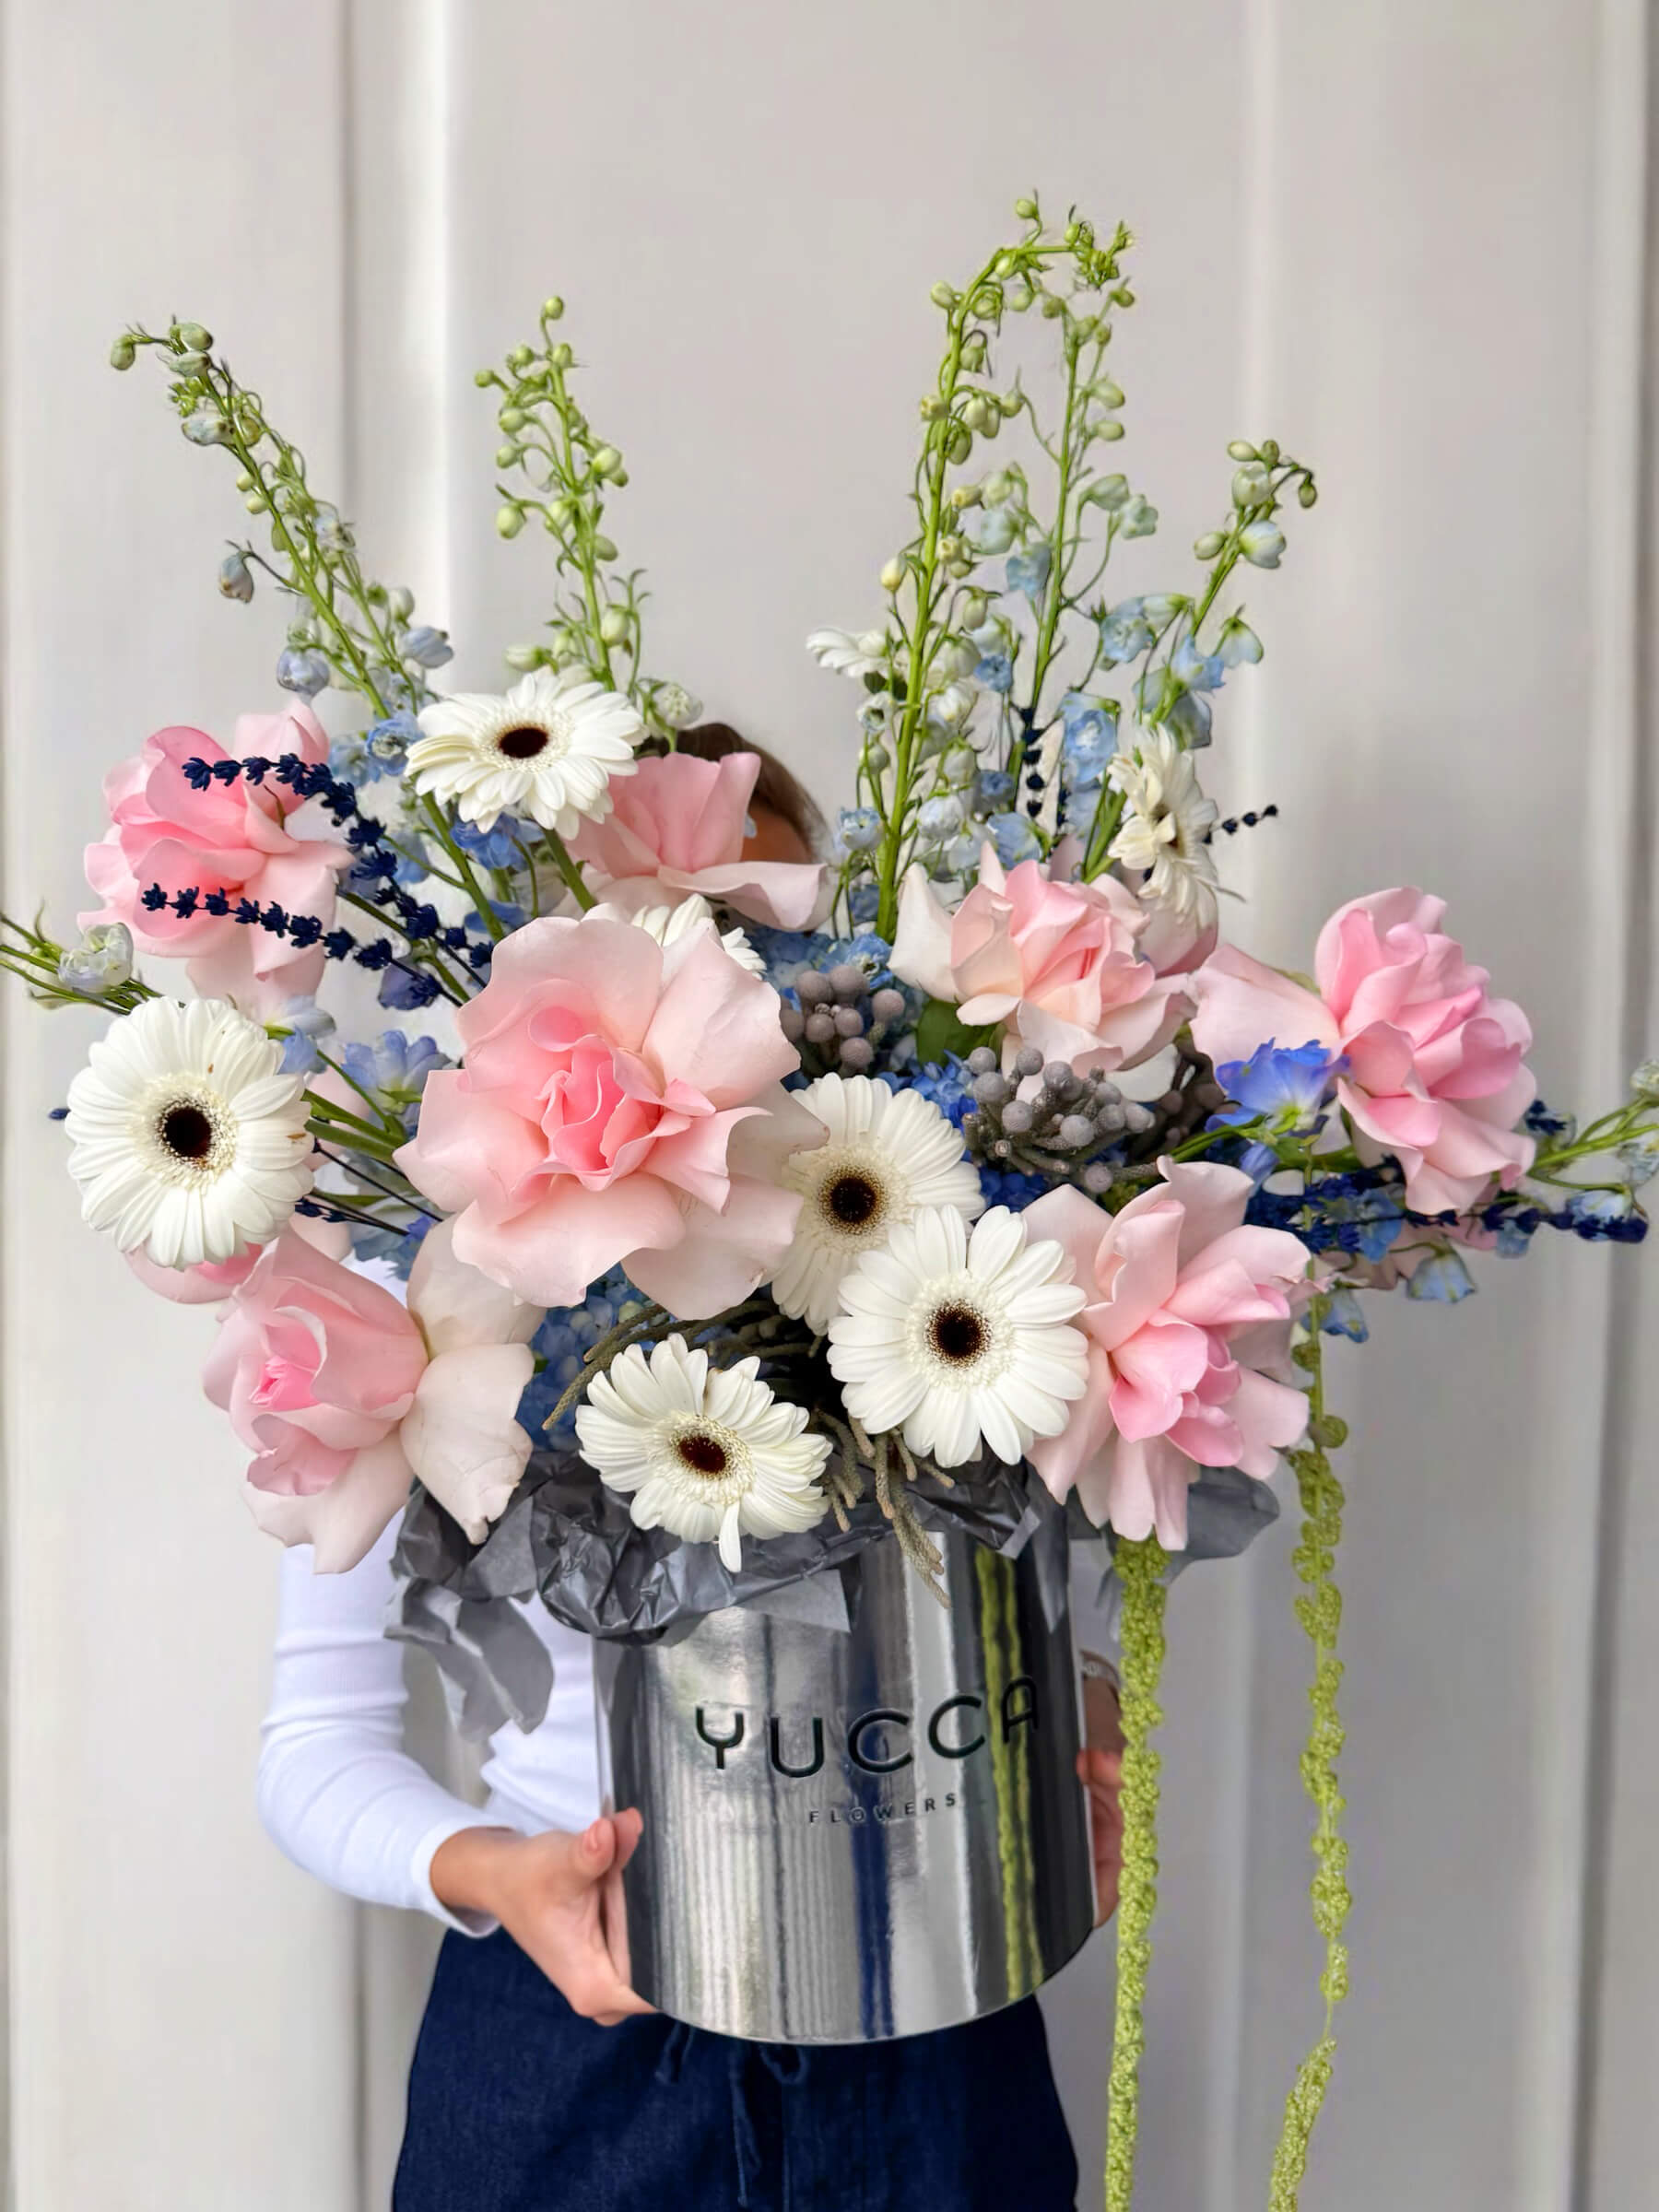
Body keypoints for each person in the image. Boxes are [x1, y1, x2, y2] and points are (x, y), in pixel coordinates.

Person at [257, 724, 1125, 2212]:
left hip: (934, 2027)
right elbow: (312, 1749)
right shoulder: (415, 1318)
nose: (740, 1011)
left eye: (785, 963)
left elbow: (1053, 1617)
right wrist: (496, 1875)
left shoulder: (964, 1291)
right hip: (568, 2030)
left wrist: (1070, 1751)